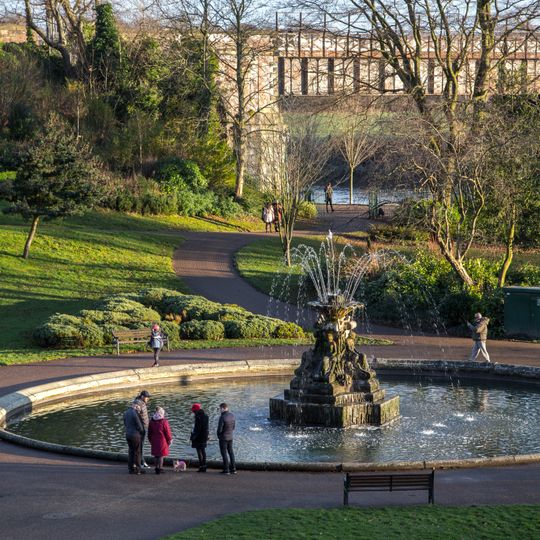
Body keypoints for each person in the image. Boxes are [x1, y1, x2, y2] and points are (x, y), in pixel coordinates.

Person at [147, 406, 173, 474]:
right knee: (161, 455)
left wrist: (150, 440)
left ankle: (156, 468)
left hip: (154, 440)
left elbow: (149, 433)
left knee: (156, 455)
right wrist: (169, 439)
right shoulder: (164, 421)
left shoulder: (151, 421)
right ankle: (160, 468)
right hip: (162, 441)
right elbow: (168, 432)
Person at [124, 402, 145, 475]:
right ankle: (138, 469)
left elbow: (125, 424)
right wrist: (141, 432)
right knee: (137, 452)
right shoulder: (135, 413)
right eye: (139, 407)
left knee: (131, 451)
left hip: (128, 434)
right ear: (136, 406)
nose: (140, 408)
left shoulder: (126, 412)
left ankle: (130, 468)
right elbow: (140, 427)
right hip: (135, 436)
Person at [133, 390, 151, 468]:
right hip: (141, 429)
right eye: (147, 397)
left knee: (140, 446)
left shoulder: (141, 403)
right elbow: (135, 416)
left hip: (143, 427)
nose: (148, 399)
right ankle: (141, 462)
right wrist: (140, 428)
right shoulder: (138, 403)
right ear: (142, 397)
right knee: (140, 446)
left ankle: (139, 462)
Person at [217, 402, 236, 475]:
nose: (220, 410)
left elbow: (219, 429)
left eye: (220, 409)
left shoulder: (222, 417)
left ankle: (226, 469)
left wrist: (219, 436)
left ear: (223, 408)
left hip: (223, 438)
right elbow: (233, 427)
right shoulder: (232, 415)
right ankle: (233, 469)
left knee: (224, 453)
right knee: (231, 452)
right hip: (230, 437)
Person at [190, 403, 209, 472]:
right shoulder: (206, 416)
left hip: (199, 436)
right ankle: (204, 465)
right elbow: (206, 427)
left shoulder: (198, 417)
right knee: (203, 451)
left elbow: (197, 429)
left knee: (199, 451)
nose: (193, 412)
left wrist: (193, 437)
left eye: (193, 410)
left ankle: (201, 467)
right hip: (205, 435)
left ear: (195, 410)